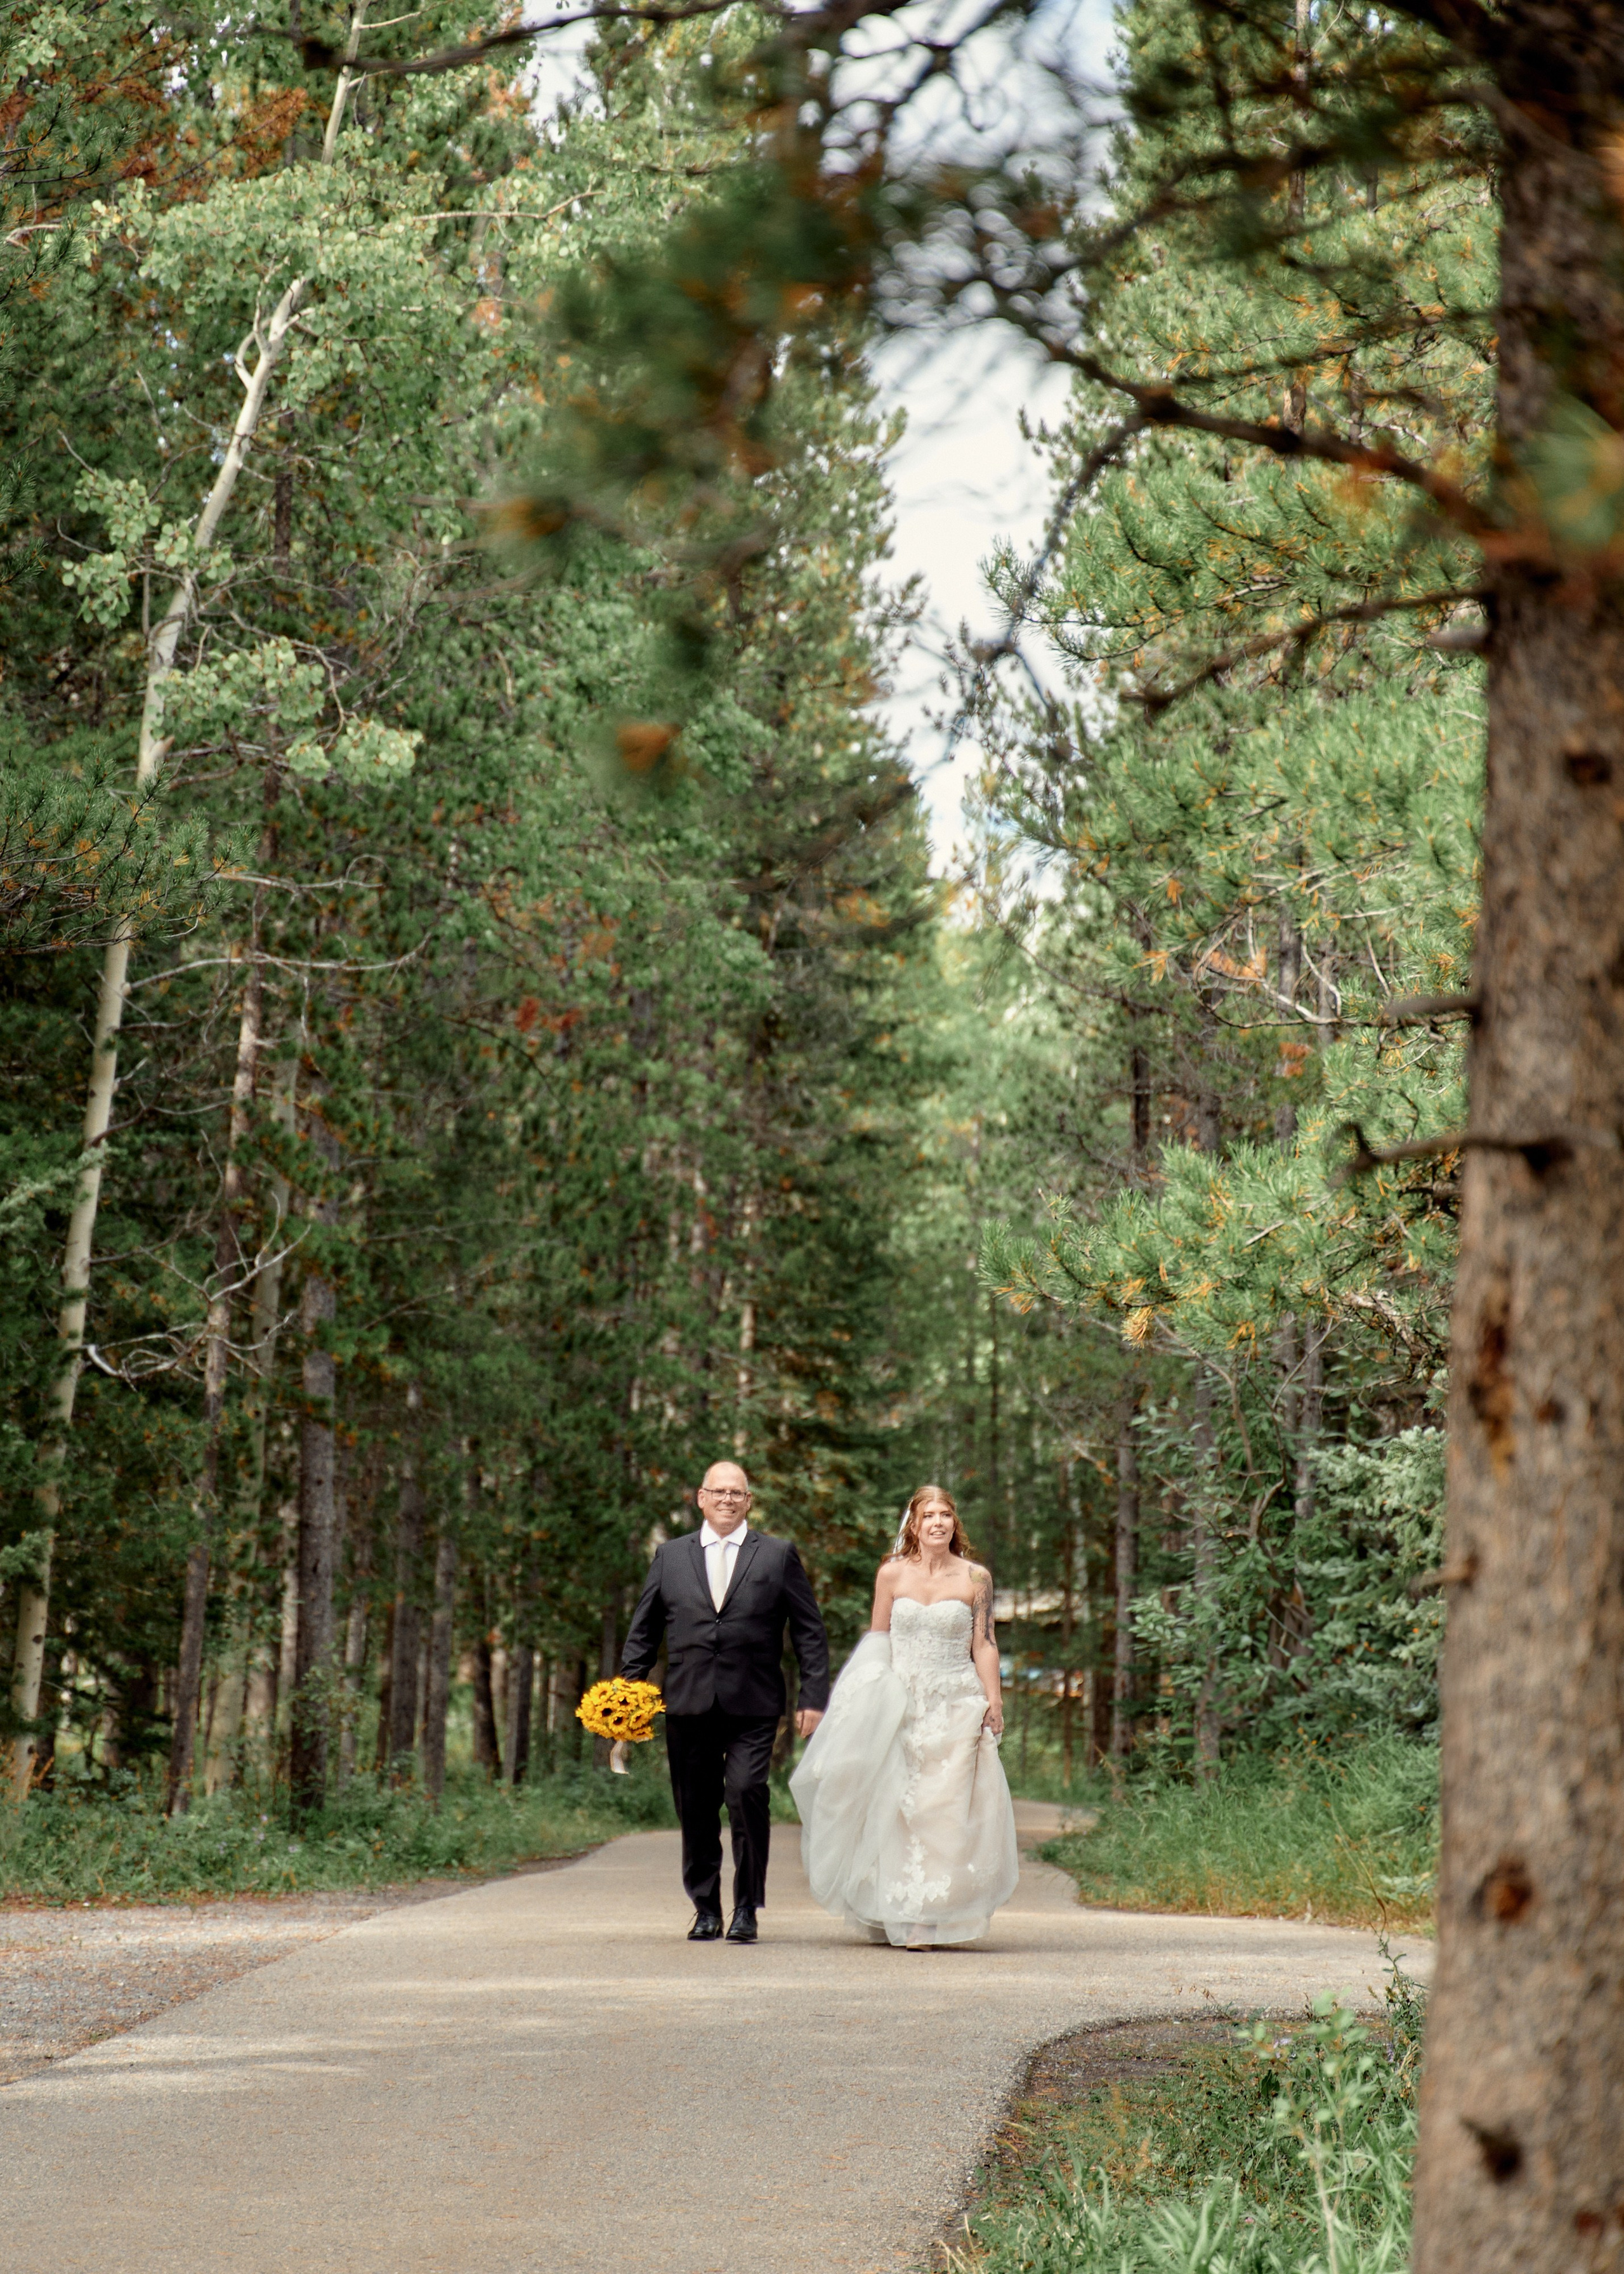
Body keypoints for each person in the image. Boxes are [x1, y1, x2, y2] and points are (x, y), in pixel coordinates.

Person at [790, 1483, 1019, 1949]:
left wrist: (993, 1699)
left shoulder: (976, 1578)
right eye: (928, 1515)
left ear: (955, 1524)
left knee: (944, 1809)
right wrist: (864, 1702)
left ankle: (930, 1915)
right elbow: (878, 1641)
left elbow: (984, 1644)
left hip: (955, 1701)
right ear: (914, 1526)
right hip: (902, 1702)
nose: (937, 1522)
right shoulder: (892, 1575)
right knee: (899, 1807)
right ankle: (892, 1904)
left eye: (945, 1515)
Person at [622, 1459, 829, 1943]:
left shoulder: (777, 1556)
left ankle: (746, 1908)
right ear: (701, 1498)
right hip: (688, 1702)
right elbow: (644, 1631)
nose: (728, 1500)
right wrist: (627, 1696)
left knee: (745, 1794)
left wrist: (814, 1696)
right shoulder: (670, 1557)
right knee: (695, 1807)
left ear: (749, 1501)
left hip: (754, 1703)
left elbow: (809, 1632)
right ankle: (706, 1908)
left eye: (737, 1493)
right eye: (718, 1492)